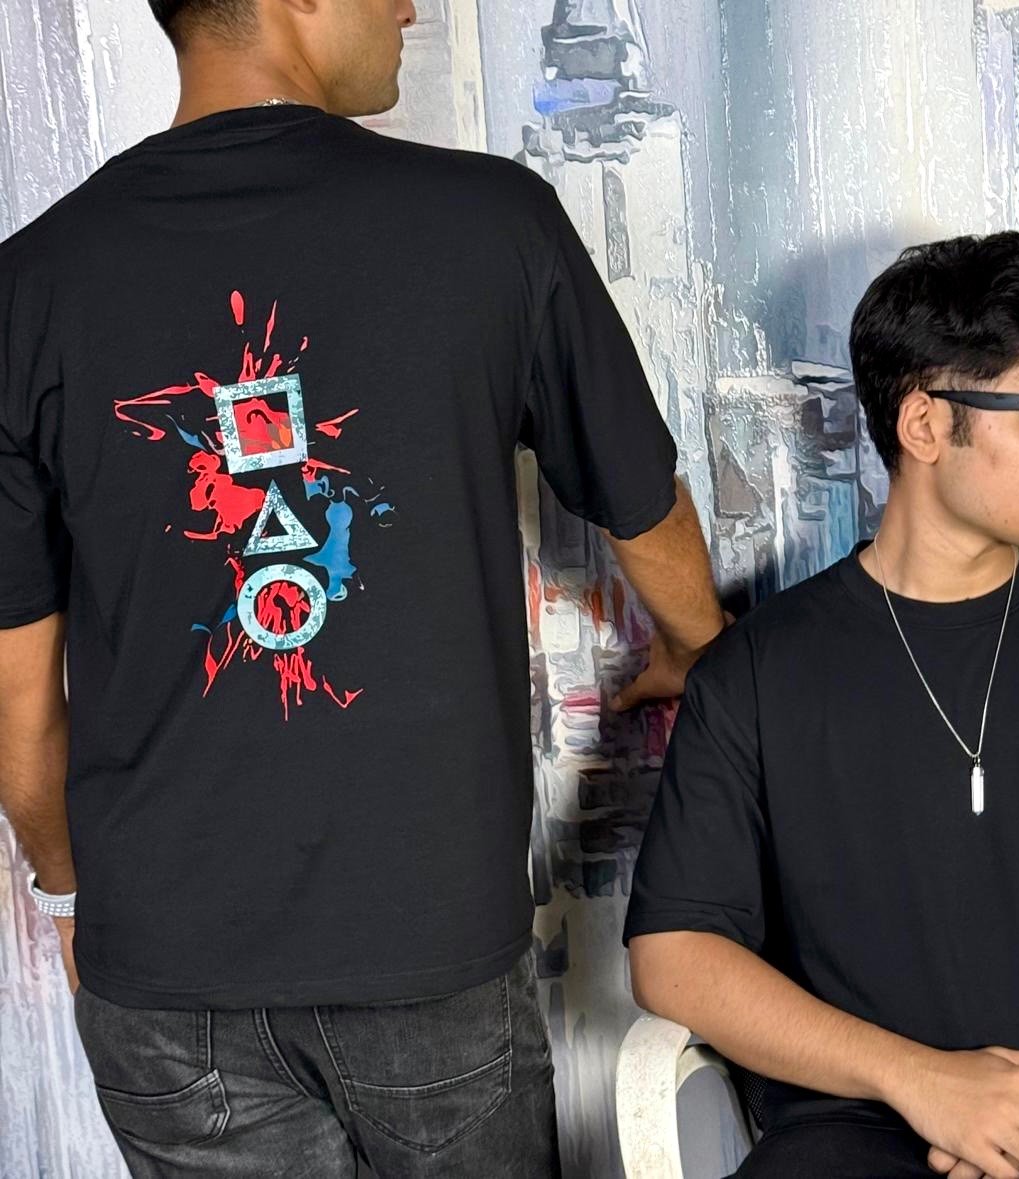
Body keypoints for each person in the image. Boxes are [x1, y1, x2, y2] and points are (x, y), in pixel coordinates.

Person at [0, 1, 725, 1175]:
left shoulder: (29, 285)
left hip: (166, 974)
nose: (407, 7)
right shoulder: (491, 222)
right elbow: (640, 504)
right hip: (422, 949)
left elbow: (18, 694)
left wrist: (73, 897)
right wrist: (694, 643)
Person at [624, 231, 1019, 1178]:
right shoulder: (757, 675)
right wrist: (919, 1079)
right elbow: (675, 952)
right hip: (862, 1130)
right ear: (926, 425)